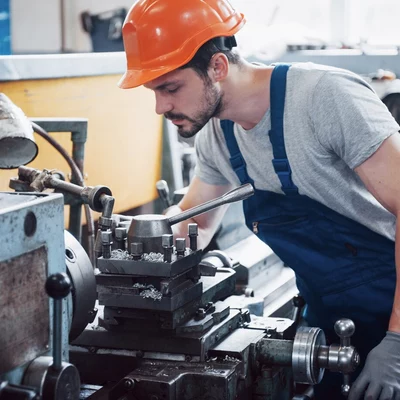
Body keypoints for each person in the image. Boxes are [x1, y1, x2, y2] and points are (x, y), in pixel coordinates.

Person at [117, 0, 400, 399]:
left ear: (217, 67)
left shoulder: (324, 98)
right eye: (154, 91)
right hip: (328, 314)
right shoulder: (218, 133)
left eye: (170, 88)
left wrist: (397, 342)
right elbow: (195, 219)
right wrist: (138, 254)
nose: (161, 106)